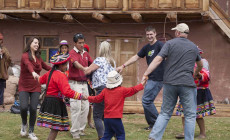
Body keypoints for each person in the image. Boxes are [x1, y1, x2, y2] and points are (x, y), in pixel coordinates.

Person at [142, 23, 203, 140]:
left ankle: (154, 137)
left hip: (170, 83)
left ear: (178, 33)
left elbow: (158, 59)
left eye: (176, 31)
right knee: (190, 115)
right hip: (187, 84)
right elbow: (200, 64)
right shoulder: (193, 47)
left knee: (165, 113)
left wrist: (146, 73)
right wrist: (195, 74)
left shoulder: (169, 44)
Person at [116, 26, 164, 130]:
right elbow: (136, 57)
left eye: (151, 34)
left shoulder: (160, 45)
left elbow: (167, 57)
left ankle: (157, 124)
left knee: (146, 100)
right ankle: (154, 124)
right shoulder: (147, 47)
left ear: (155, 34)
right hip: (151, 77)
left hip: (158, 77)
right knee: (147, 100)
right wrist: (123, 66)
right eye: (147, 35)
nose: (149, 36)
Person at [84, 71, 147, 140]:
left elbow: (97, 99)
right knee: (120, 134)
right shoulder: (122, 90)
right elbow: (133, 90)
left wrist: (88, 97)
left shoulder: (105, 91)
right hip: (116, 118)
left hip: (106, 118)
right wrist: (142, 84)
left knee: (107, 135)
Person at [37, 53, 86, 140]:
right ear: (61, 66)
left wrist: (35, 75)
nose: (67, 66)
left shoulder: (50, 73)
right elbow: (67, 91)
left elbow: (40, 80)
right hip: (55, 103)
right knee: (55, 128)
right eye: (66, 64)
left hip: (48, 101)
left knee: (54, 128)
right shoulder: (61, 75)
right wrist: (80, 96)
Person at [175, 49, 216, 139]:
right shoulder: (186, 62)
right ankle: (185, 132)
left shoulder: (203, 62)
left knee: (198, 114)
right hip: (186, 90)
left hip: (199, 91)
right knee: (184, 113)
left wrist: (200, 75)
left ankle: (202, 133)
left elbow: (206, 75)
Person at [18, 37, 51, 140]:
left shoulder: (39, 58)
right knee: (23, 107)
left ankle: (31, 131)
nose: (37, 44)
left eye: (38, 43)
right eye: (35, 43)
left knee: (33, 108)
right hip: (24, 85)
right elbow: (28, 65)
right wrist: (33, 72)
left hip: (36, 86)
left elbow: (46, 67)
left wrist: (58, 69)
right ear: (30, 44)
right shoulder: (24, 56)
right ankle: (24, 123)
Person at [84, 41, 115, 139]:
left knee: (97, 116)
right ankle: (115, 134)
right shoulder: (112, 61)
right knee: (104, 115)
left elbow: (87, 71)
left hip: (101, 89)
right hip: (111, 90)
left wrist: (81, 67)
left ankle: (102, 137)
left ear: (101, 49)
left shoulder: (99, 60)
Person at [68, 33, 93, 139]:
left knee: (85, 107)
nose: (82, 45)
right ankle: (74, 131)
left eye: (83, 42)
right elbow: (76, 64)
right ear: (75, 43)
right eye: (80, 43)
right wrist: (85, 69)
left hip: (84, 84)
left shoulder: (86, 54)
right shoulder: (72, 53)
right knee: (76, 107)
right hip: (74, 84)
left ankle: (81, 129)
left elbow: (92, 63)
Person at [83, 43, 95, 129]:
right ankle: (80, 121)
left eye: (85, 50)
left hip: (89, 84)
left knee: (90, 104)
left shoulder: (90, 62)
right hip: (80, 83)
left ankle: (89, 121)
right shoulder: (77, 60)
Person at [0, 32, 12, 112]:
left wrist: (4, 54)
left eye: (0, 40)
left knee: (1, 91)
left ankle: (0, 105)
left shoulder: (4, 49)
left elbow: (9, 59)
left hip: (2, 74)